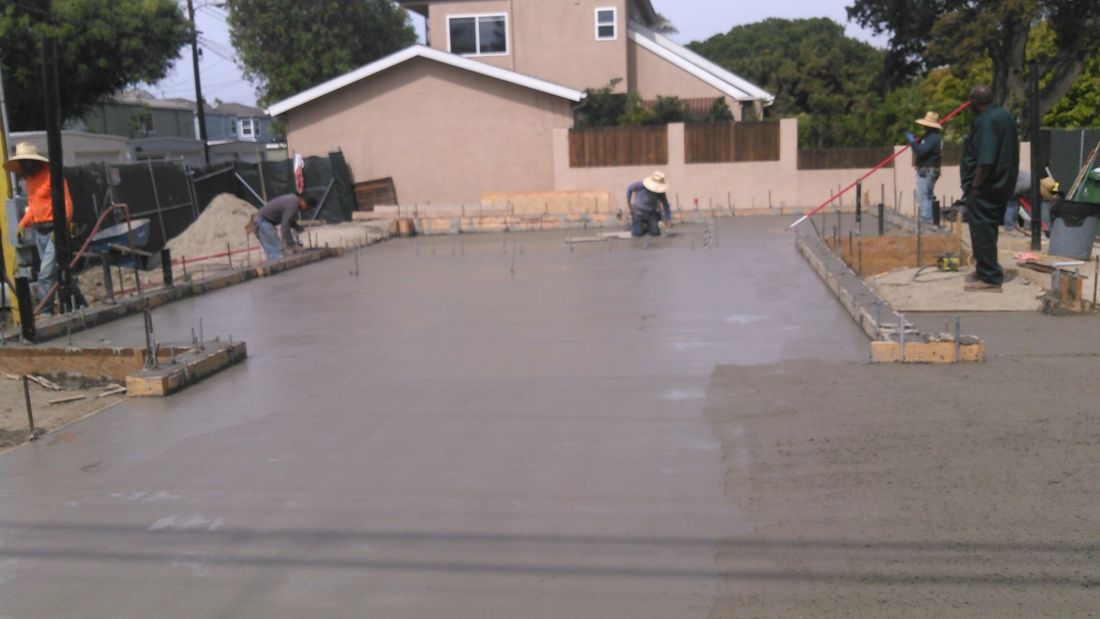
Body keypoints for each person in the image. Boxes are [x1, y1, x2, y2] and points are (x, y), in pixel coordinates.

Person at [959, 85, 1019, 292]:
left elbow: (986, 160)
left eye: (970, 101)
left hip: (986, 186)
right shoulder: (1004, 116)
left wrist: (975, 186)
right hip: (1001, 184)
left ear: (974, 101)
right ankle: (986, 269)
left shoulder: (988, 122)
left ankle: (990, 277)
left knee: (981, 230)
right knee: (989, 228)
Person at [4, 142, 73, 315]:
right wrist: (22, 224)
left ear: (33, 162)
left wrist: (62, 227)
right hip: (39, 232)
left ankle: (46, 312)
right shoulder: (29, 181)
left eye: (25, 162)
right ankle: (75, 303)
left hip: (54, 231)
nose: (23, 167)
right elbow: (33, 208)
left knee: (45, 274)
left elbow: (67, 203)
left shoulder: (52, 175)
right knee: (56, 272)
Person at [251, 193, 316, 261]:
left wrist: (297, 227)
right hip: (262, 222)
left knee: (273, 252)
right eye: (307, 207)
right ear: (304, 202)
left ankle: (274, 267)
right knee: (277, 251)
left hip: (260, 221)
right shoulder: (293, 205)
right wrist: (293, 245)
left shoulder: (293, 200)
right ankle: (276, 267)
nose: (306, 210)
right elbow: (285, 227)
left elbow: (288, 219)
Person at [907, 111, 943, 225]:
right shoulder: (931, 137)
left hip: (927, 170)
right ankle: (929, 218)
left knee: (923, 195)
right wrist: (917, 140)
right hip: (930, 169)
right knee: (927, 195)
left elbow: (920, 151)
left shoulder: (933, 138)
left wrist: (912, 142)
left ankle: (926, 220)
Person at [626, 171, 671, 237]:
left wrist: (668, 219)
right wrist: (629, 203)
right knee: (637, 233)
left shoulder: (660, 192)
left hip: (652, 212)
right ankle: (637, 226)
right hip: (638, 211)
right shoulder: (641, 184)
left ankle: (647, 226)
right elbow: (629, 188)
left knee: (655, 233)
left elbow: (665, 204)